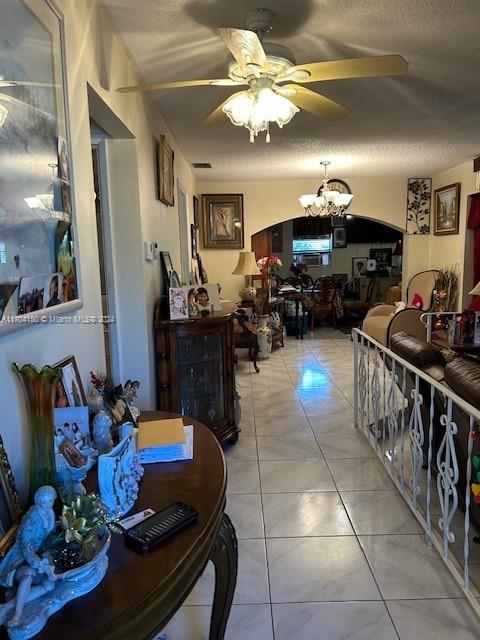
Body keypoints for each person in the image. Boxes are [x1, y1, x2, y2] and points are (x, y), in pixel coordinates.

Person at [0, 486, 57, 628]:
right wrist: (40, 564)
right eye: (44, 502)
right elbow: (25, 547)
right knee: (28, 575)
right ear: (38, 502)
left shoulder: (49, 512)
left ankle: (6, 607)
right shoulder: (31, 520)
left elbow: (49, 532)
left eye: (50, 501)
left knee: (49, 586)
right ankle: (18, 614)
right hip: (19, 559)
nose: (48, 504)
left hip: (39, 553)